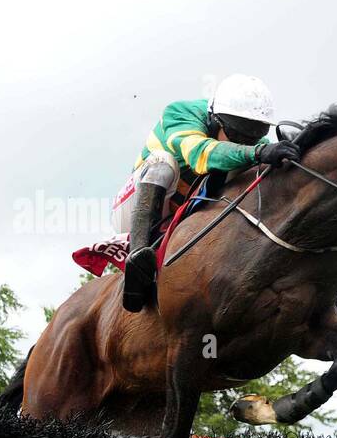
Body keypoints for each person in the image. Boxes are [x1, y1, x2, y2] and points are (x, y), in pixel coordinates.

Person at [112, 73, 302, 312]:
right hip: (135, 208)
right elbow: (201, 155)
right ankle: (138, 259)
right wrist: (256, 152)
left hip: (188, 210)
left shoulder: (243, 134)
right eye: (239, 135)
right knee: (163, 162)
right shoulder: (180, 114)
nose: (248, 141)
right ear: (215, 120)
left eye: (254, 136)